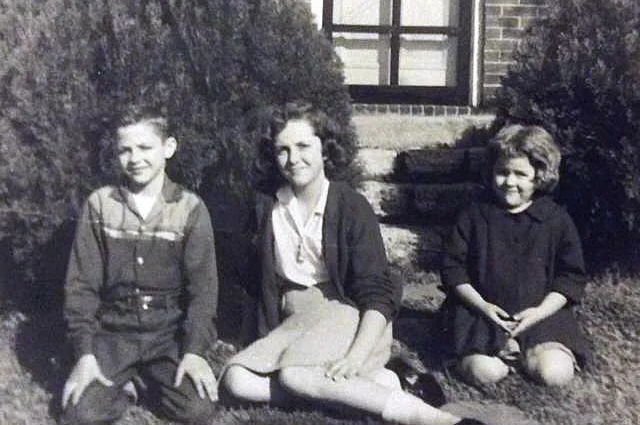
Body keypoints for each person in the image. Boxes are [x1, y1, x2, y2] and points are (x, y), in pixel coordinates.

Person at [221, 101, 486, 425]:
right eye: (283, 150)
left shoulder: (350, 206)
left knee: (293, 375)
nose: (294, 159)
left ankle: (435, 420)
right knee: (237, 381)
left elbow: (376, 292)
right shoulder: (266, 207)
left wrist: (356, 358)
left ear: (325, 148)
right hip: (296, 320)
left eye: (304, 146)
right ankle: (383, 385)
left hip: (347, 310)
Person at [60, 102, 218, 424]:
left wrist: (194, 351)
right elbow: (81, 286)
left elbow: (203, 291)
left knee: (198, 409)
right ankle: (127, 383)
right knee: (80, 414)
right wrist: (85, 354)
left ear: (168, 148)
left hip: (166, 335)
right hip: (114, 334)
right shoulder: (100, 205)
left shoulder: (190, 208)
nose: (135, 159)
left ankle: (144, 381)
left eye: (145, 147)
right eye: (125, 150)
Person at [440, 124, 590, 387]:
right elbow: (453, 270)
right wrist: (483, 307)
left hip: (540, 317)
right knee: (485, 373)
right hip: (481, 315)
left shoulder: (555, 219)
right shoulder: (474, 216)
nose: (510, 182)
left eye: (520, 174)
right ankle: (490, 356)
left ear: (539, 176)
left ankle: (529, 353)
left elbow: (570, 278)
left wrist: (539, 312)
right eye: (502, 172)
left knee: (554, 374)